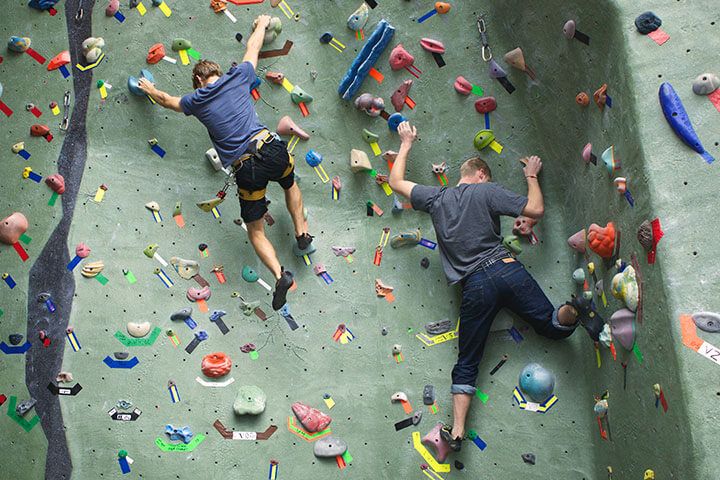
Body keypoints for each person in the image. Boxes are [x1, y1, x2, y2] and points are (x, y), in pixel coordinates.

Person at [388, 121, 602, 452]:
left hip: (475, 286)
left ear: (464, 174)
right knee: (552, 326)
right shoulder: (487, 190)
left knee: (468, 361)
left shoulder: (435, 198)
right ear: (482, 175)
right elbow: (536, 210)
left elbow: (396, 182)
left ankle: (457, 433)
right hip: (505, 268)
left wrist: (405, 143)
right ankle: (574, 308)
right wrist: (531, 176)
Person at [138, 14, 312, 310]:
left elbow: (168, 101)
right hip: (270, 148)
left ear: (198, 81)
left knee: (256, 230)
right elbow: (253, 48)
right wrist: (261, 23)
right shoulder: (240, 76)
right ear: (219, 71)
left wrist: (149, 89)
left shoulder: (196, 99)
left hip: (246, 169)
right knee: (289, 182)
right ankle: (302, 233)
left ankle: (280, 274)